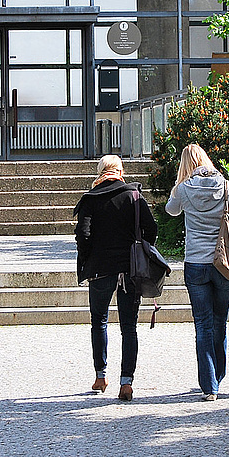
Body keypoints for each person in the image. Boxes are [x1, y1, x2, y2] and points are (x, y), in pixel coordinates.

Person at [166, 144, 229, 401]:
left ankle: (209, 385)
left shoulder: (183, 189)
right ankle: (218, 377)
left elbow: (171, 210)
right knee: (220, 322)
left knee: (202, 324)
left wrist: (178, 186)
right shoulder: (227, 187)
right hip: (223, 264)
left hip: (195, 263)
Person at [74, 154, 157, 402]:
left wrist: (88, 258)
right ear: (120, 171)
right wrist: (140, 249)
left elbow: (83, 234)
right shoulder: (133, 196)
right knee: (129, 327)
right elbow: (152, 229)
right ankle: (126, 382)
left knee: (99, 320)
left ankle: (100, 376)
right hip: (130, 269)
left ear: (100, 172)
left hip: (100, 269)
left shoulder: (90, 199)